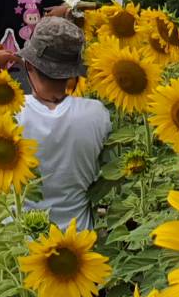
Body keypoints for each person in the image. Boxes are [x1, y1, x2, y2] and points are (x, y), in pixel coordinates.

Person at [15, 17, 111, 233]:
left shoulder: (10, 114)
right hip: (78, 244)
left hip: (17, 243)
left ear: (29, 64)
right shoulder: (97, 114)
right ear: (72, 72)